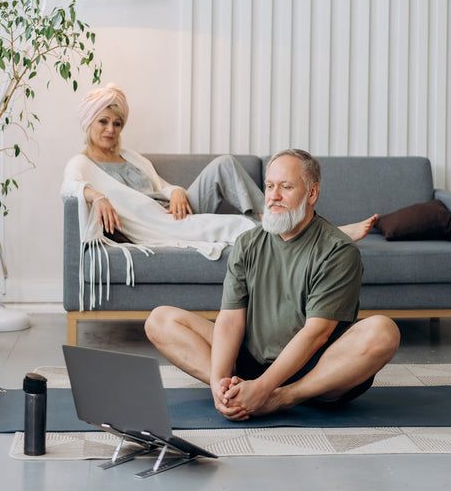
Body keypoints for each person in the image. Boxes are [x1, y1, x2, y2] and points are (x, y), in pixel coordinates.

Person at [145, 149, 400, 420]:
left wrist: (267, 390)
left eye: (286, 187)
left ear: (312, 193)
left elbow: (317, 334)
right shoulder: (247, 243)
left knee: (383, 331)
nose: (273, 196)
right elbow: (230, 320)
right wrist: (218, 382)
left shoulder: (338, 250)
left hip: (314, 370)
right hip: (250, 363)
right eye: (269, 186)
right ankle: (234, 392)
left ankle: (284, 397)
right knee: (159, 320)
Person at [61, 82, 377, 251]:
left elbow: (159, 185)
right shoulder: (82, 163)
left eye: (117, 123)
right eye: (104, 121)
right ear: (89, 123)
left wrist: (176, 191)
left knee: (225, 163)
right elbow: (69, 187)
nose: (111, 129)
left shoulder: (130, 156)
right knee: (232, 222)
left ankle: (270, 219)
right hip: (156, 224)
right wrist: (97, 196)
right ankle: (322, 233)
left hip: (174, 211)